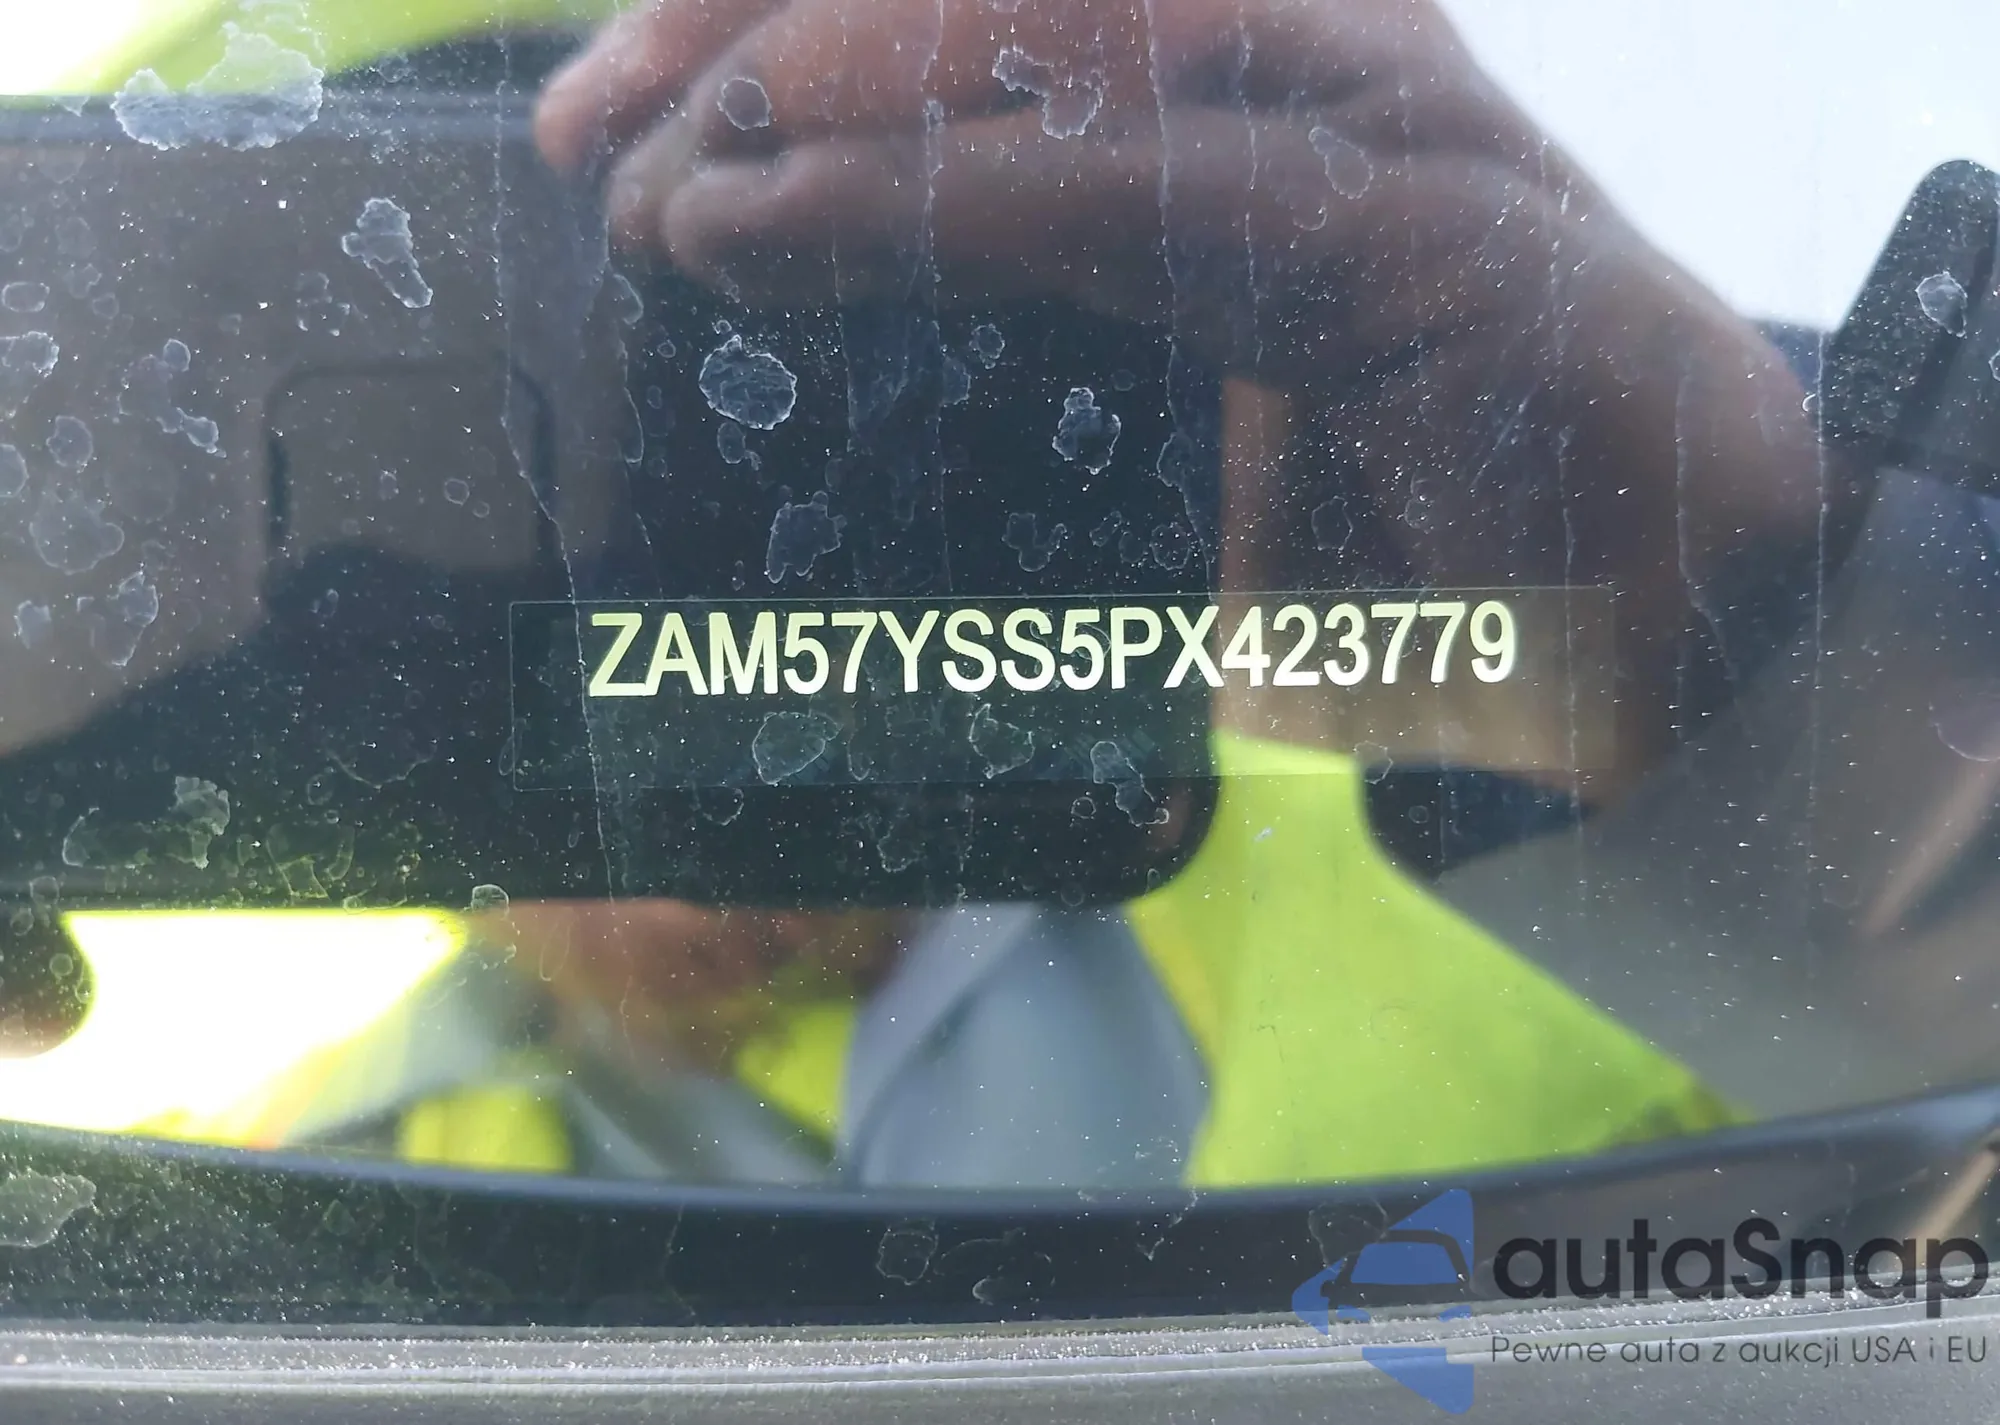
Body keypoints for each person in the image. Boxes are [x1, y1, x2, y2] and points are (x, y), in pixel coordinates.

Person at [6, 0, 1858, 1186]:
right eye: (417, 549)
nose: (585, 586)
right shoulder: (241, 1191)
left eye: (685, 422)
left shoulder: (1535, 851)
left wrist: (1754, 638)